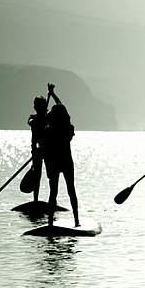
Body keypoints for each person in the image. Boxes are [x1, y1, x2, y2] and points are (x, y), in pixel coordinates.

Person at [42, 83, 80, 227]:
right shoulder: (68, 127)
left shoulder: (48, 129)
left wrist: (51, 94)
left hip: (54, 162)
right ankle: (76, 221)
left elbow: (43, 144)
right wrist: (52, 94)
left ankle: (50, 222)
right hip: (66, 161)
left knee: (53, 192)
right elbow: (61, 106)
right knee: (71, 190)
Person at [26, 93, 50, 202]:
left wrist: (52, 94)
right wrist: (39, 121)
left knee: (51, 175)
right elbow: (30, 122)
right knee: (37, 175)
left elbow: (61, 108)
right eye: (36, 106)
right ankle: (35, 199)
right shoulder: (33, 118)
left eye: (40, 106)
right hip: (36, 151)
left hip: (48, 150)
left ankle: (52, 199)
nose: (37, 108)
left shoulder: (48, 118)